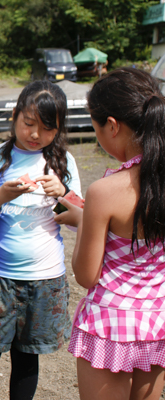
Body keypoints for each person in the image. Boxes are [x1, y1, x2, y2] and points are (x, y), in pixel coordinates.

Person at [0, 80, 82, 400]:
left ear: (58, 129)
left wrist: (64, 194)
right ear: (14, 115)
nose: (35, 135)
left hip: (45, 279)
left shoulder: (64, 163)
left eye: (46, 128)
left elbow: (80, 223)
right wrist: (0, 196)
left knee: (27, 358)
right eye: (29, 123)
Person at [56, 67, 165, 400]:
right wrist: (85, 218)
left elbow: (87, 275)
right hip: (158, 320)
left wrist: (86, 221)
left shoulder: (105, 191)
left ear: (112, 125)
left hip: (110, 325)